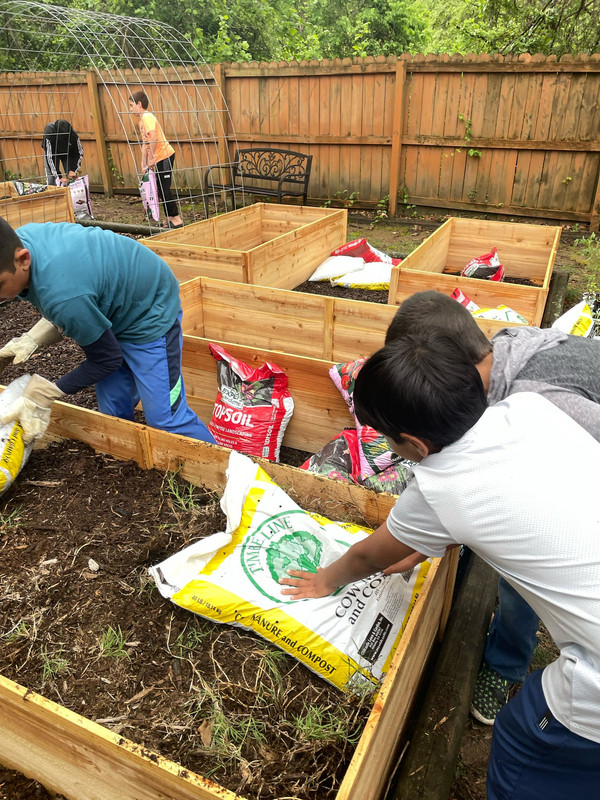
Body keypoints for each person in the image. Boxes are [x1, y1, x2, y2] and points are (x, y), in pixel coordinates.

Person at [280, 332, 600, 800]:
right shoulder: (530, 407)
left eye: (388, 440)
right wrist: (425, 540)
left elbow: (369, 555)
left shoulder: (438, 490)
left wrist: (325, 580)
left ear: (413, 444)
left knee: (521, 741)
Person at [384, 289, 600, 725]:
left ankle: (505, 664)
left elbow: (542, 516)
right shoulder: (501, 352)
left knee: (529, 564)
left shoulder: (541, 403)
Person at [0, 217, 215, 445]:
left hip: (149, 308)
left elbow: (105, 359)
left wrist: (45, 393)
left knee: (166, 420)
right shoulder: (16, 241)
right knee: (113, 412)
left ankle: (230, 471)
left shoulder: (65, 296)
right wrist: (32, 338)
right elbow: (75, 293)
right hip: (112, 302)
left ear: (23, 258)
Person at [129, 90, 183, 229]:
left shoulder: (147, 117)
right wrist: (143, 162)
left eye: (131, 105)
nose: (130, 109)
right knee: (159, 189)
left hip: (164, 156)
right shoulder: (142, 121)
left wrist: (151, 158)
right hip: (157, 158)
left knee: (164, 189)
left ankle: (176, 219)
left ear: (139, 104)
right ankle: (169, 218)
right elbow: (145, 143)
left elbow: (154, 137)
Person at [41, 119, 83, 186]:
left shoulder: (73, 135)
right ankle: (53, 195)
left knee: (72, 177)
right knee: (52, 178)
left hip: (67, 152)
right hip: (52, 153)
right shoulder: (49, 132)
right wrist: (59, 177)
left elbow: (79, 153)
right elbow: (49, 157)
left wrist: (73, 169)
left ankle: (71, 194)